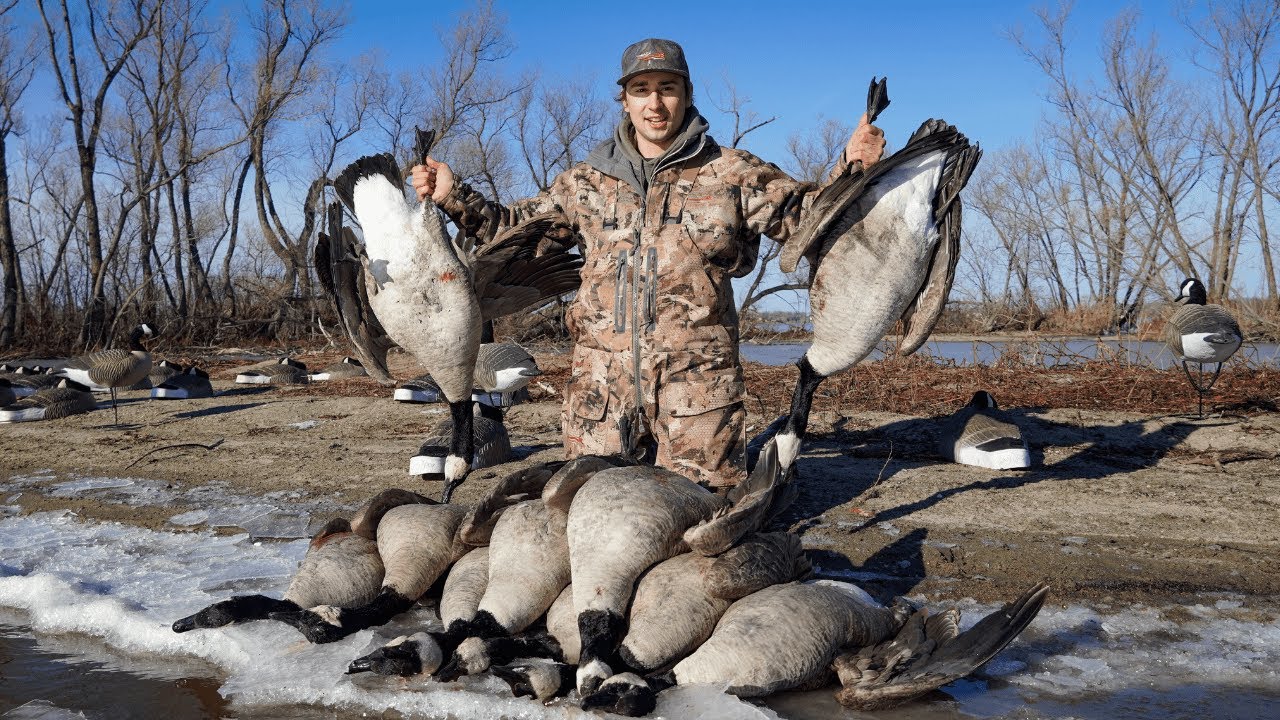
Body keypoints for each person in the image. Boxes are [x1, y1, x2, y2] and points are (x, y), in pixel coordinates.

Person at [412, 38, 884, 490]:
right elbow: (512, 231)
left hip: (698, 399)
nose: (654, 104)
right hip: (599, 398)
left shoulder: (733, 172)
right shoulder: (585, 183)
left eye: (667, 88)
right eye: (641, 90)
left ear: (687, 95)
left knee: (700, 522)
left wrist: (851, 166)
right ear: (624, 100)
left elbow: (810, 220)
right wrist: (453, 195)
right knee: (593, 516)